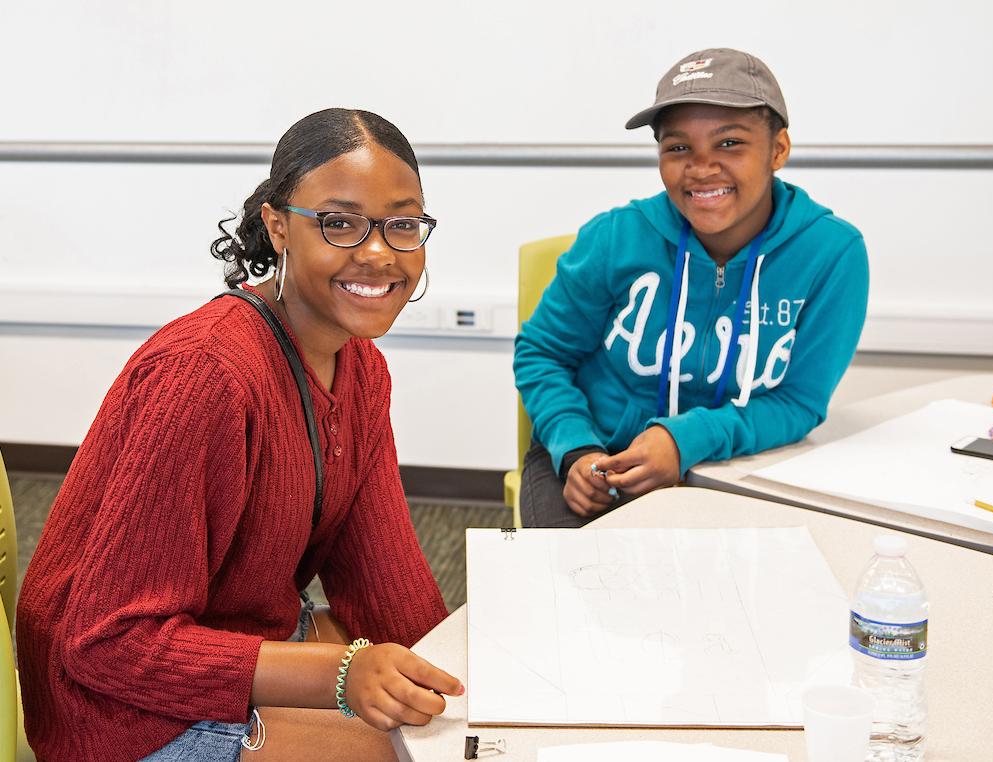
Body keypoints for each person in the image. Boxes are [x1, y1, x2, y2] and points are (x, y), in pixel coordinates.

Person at [16, 108, 461, 762]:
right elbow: (106, 642)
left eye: (402, 223)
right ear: (279, 227)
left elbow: (385, 588)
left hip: (230, 632)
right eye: (338, 222)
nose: (377, 251)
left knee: (436, 726)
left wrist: (464, 678)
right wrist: (339, 674)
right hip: (116, 707)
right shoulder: (207, 374)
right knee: (391, 751)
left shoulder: (362, 370)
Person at [514, 48, 869, 527]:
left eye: (729, 144)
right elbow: (543, 354)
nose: (702, 168)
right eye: (679, 148)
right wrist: (576, 448)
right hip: (600, 455)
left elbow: (798, 402)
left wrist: (685, 439)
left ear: (778, 150)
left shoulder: (832, 254)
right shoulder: (614, 237)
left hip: (738, 464)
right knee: (571, 584)